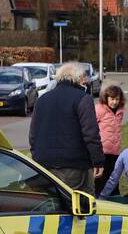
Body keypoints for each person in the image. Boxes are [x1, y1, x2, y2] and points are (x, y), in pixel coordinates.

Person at [29, 62, 104, 191]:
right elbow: (91, 134)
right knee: (80, 205)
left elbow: (33, 135)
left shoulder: (42, 100)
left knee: (51, 205)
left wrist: (37, 156)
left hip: (44, 165)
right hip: (73, 166)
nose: (85, 82)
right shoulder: (83, 98)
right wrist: (98, 161)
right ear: (78, 78)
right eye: (84, 79)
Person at [94, 85, 126, 196]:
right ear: (106, 98)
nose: (115, 102)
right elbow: (91, 127)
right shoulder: (99, 109)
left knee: (113, 177)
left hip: (114, 151)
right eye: (112, 99)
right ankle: (98, 199)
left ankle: (114, 198)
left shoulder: (121, 110)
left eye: (117, 99)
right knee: (100, 178)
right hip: (101, 151)